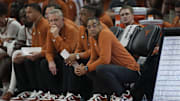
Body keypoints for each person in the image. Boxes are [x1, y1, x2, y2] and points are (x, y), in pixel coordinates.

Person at [74, 17, 140, 100]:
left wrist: (87, 68)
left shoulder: (105, 34)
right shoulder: (92, 38)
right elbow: (93, 58)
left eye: (94, 26)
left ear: (100, 26)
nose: (92, 29)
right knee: (91, 70)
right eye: (89, 27)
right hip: (116, 69)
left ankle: (123, 95)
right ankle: (101, 95)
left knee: (101, 68)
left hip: (131, 70)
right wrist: (84, 68)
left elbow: (105, 60)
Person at [39, 9, 79, 94]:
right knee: (44, 63)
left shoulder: (71, 30)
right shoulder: (50, 31)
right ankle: (54, 93)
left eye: (56, 20)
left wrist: (57, 36)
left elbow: (69, 51)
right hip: (61, 56)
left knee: (67, 62)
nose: (53, 23)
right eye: (51, 21)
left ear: (62, 20)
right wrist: (50, 61)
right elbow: (49, 51)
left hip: (73, 57)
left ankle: (67, 92)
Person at [13, 3, 49, 92]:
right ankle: (25, 91)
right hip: (39, 53)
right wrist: (24, 55)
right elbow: (34, 47)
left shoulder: (45, 25)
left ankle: (40, 90)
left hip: (47, 54)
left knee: (32, 61)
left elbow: (50, 47)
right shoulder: (35, 26)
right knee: (17, 60)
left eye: (29, 12)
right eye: (26, 13)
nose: (27, 15)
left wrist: (35, 54)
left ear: (38, 12)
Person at [2, 7, 34, 100]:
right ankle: (17, 89)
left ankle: (10, 90)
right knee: (16, 56)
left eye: (26, 16)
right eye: (22, 17)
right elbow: (19, 44)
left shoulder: (37, 26)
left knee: (14, 56)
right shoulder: (23, 29)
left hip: (39, 51)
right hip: (25, 52)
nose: (24, 19)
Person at [0, 2, 21, 95]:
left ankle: (8, 88)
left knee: (5, 61)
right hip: (5, 52)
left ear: (4, 16)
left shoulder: (13, 25)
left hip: (15, 52)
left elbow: (10, 46)